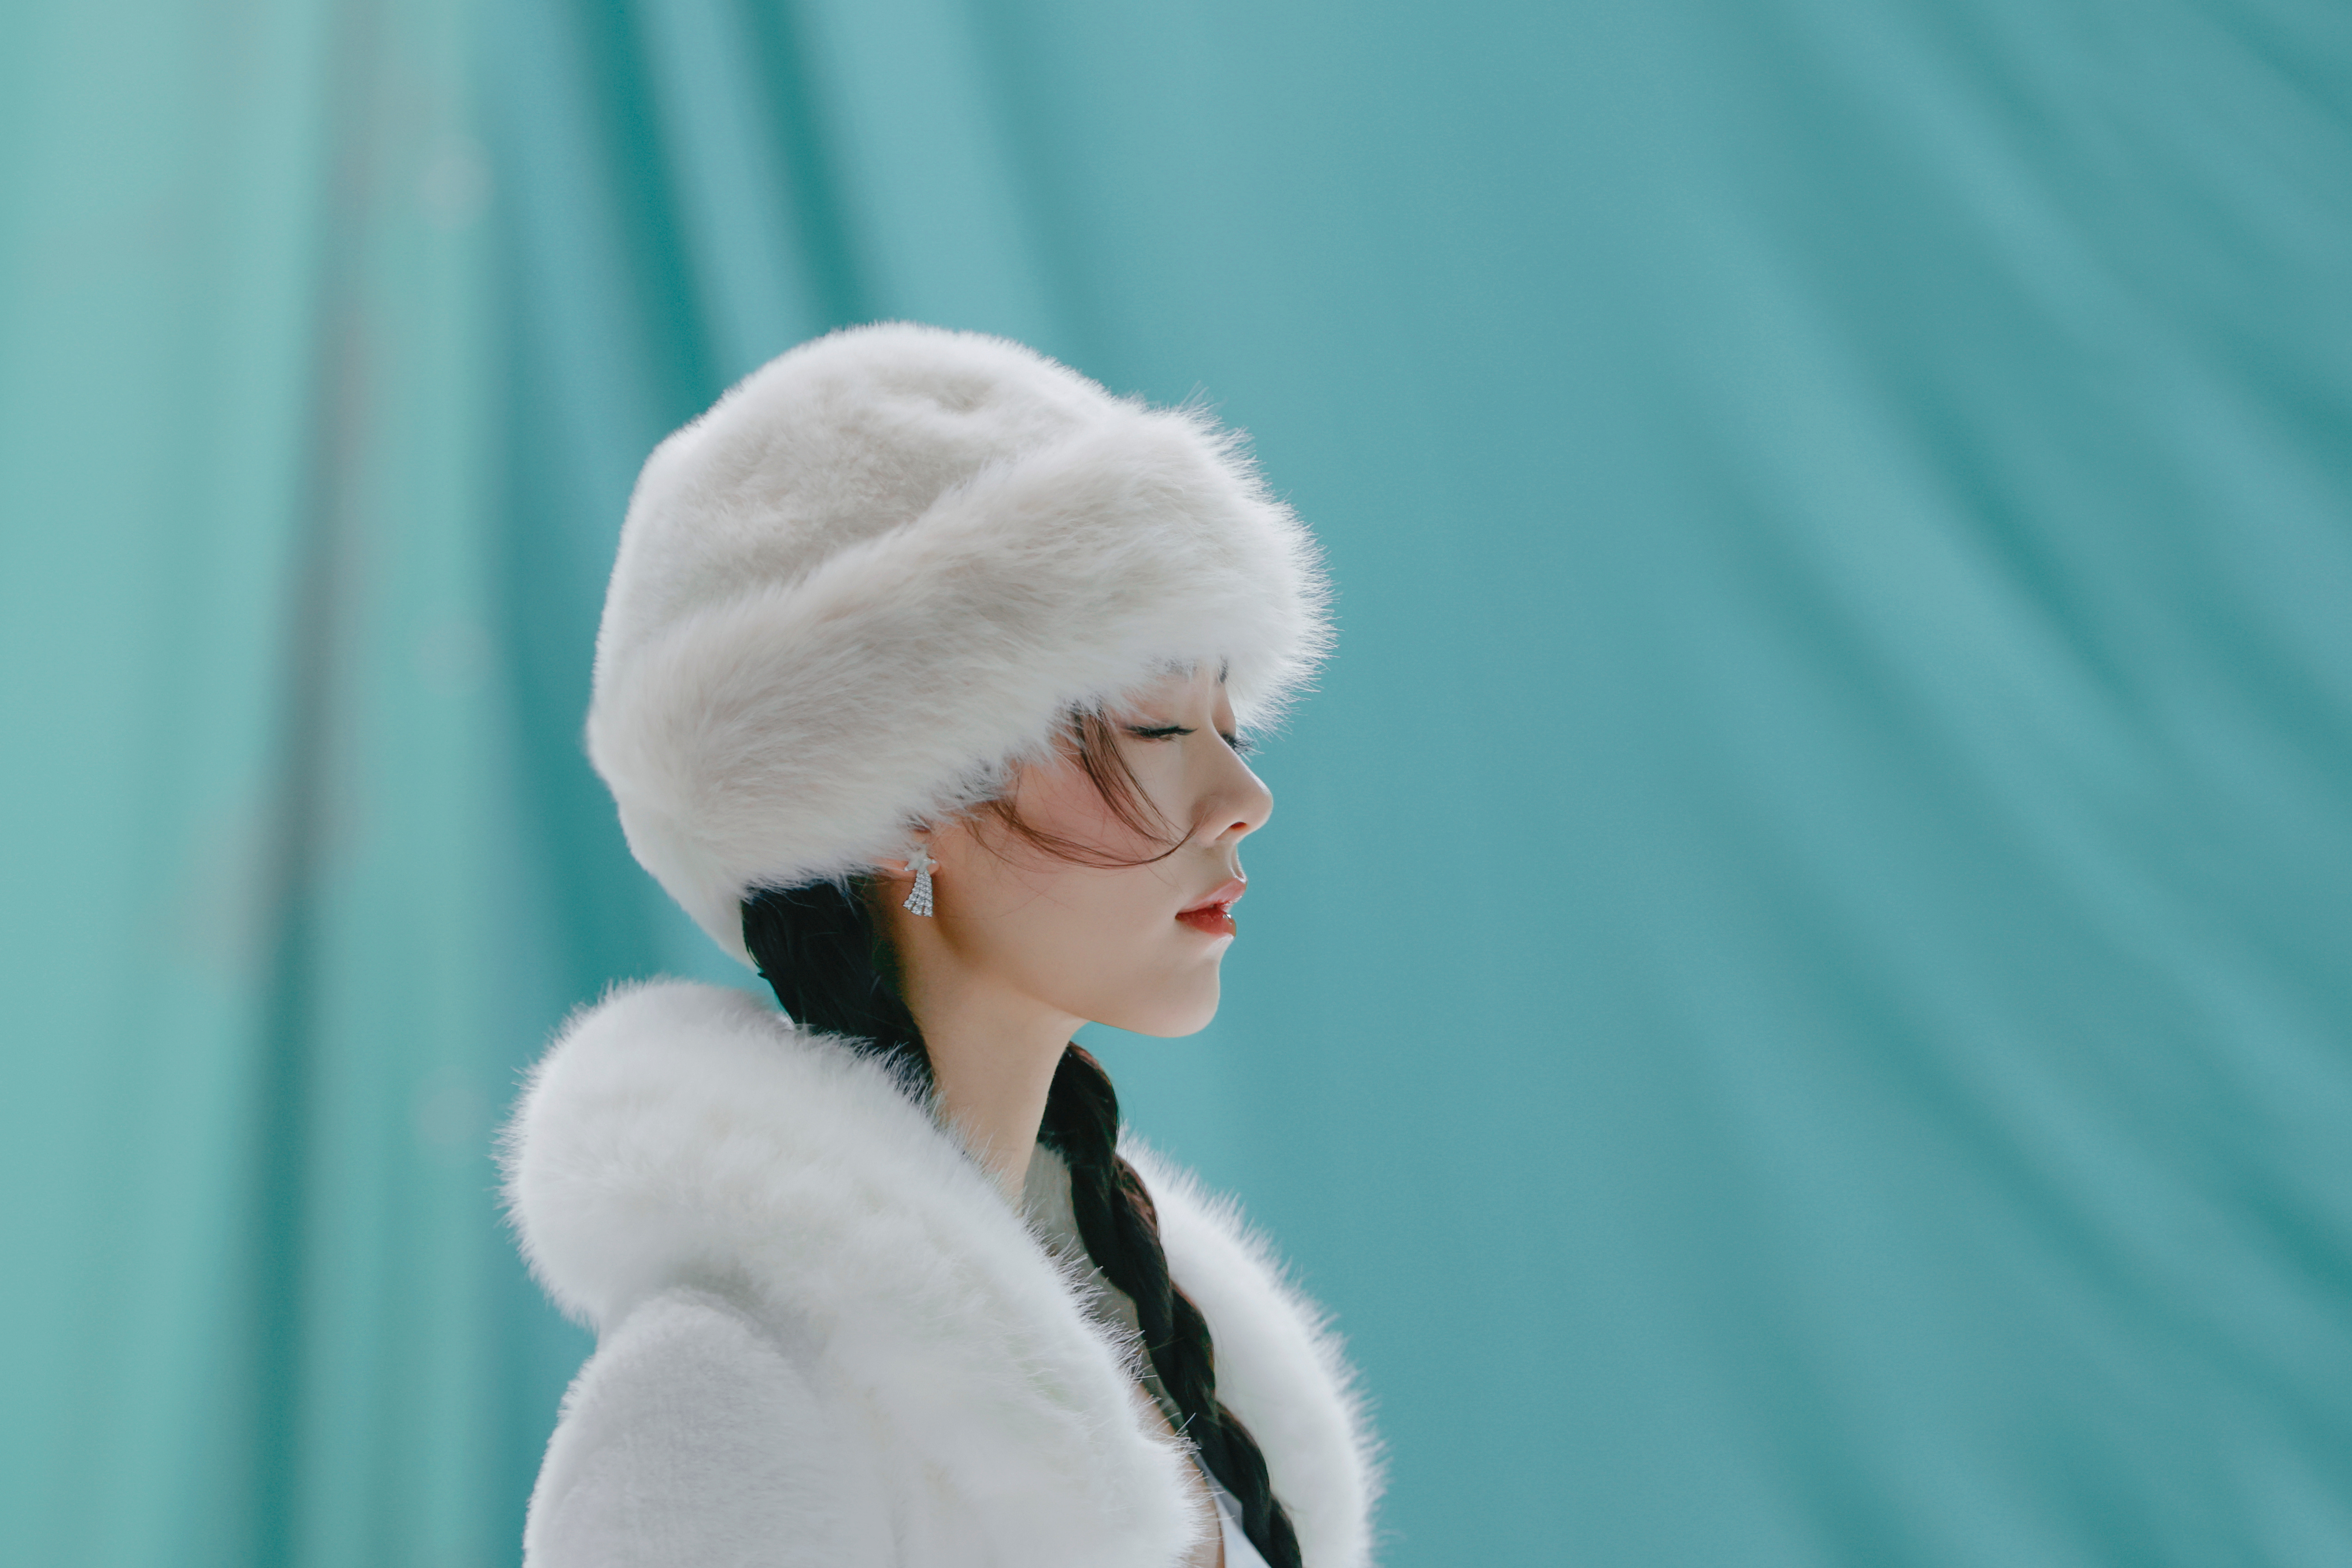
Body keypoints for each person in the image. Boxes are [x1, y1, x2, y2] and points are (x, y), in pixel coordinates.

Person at [502, 323, 1380, 1568]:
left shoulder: (1157, 1342)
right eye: (1155, 727)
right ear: (909, 804)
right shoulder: (714, 1405)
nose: (1245, 796)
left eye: (1230, 727)